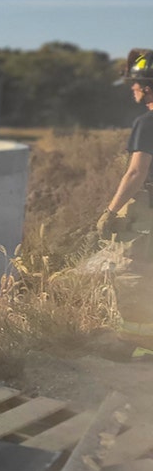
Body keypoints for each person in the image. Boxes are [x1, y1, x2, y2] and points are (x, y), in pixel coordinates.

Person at [98, 48, 153, 354]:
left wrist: (111, 211)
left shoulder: (147, 122)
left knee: (137, 271)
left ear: (148, 87)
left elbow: (135, 173)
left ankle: (139, 344)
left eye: (136, 82)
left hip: (149, 211)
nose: (132, 88)